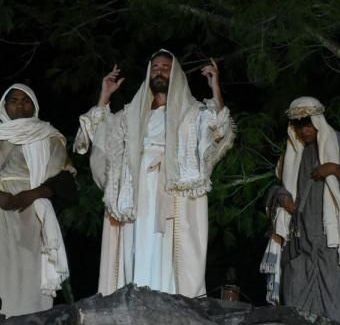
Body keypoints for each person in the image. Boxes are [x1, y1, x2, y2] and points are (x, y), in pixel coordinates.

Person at [74, 49, 235, 298]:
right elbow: (100, 138)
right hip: (137, 191)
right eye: (156, 67)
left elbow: (219, 132)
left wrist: (215, 88)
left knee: (170, 254)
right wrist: (104, 96)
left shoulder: (192, 113)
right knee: (137, 248)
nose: (160, 71)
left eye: (166, 67)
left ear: (176, 74)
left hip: (175, 195)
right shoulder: (131, 115)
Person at [0, 83, 77, 321]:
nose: (20, 105)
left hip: (34, 211)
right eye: (14, 100)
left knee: (31, 272)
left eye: (25, 100)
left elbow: (63, 177)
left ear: (33, 105)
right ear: (5, 106)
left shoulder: (48, 136)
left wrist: (34, 193)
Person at [260, 96, 340, 325]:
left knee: (336, 309)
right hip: (299, 246)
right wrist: (281, 197)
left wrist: (336, 170)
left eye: (308, 123)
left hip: (333, 248)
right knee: (296, 308)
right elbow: (275, 190)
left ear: (318, 120)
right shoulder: (289, 156)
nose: (304, 130)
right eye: (298, 125)